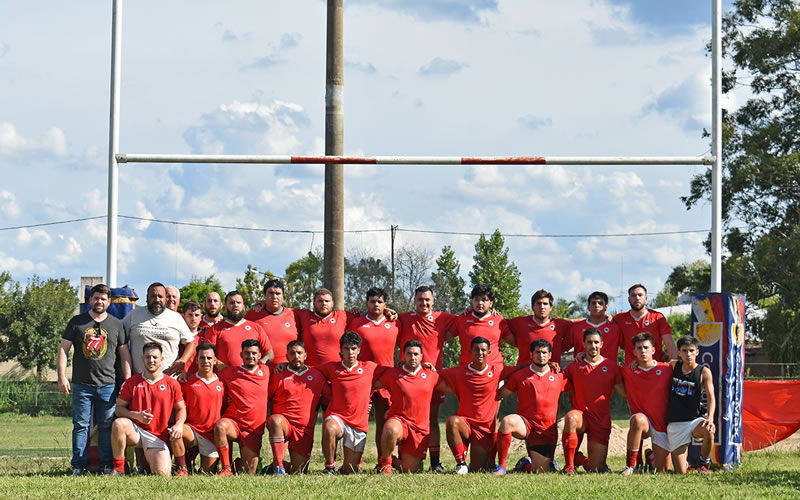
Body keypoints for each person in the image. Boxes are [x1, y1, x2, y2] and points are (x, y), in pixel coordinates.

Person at [58, 283, 131, 475]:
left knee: (107, 426)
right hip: (82, 385)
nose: (99, 301)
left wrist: (128, 381)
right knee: (80, 426)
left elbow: (124, 355)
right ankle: (78, 466)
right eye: (96, 298)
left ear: (109, 302)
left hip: (108, 385)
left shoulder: (116, 325)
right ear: (90, 300)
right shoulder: (76, 322)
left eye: (103, 299)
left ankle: (107, 465)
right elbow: (63, 350)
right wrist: (61, 377)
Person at [395, 285, 458, 472]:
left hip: (431, 378)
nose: (424, 303)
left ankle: (435, 463)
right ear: (415, 301)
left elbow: (465, 322)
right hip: (406, 378)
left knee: (432, 419)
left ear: (433, 301)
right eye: (420, 299)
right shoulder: (403, 318)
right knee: (402, 418)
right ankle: (397, 458)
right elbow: (385, 323)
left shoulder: (442, 318)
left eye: (427, 300)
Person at [108, 342, 186, 476]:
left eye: (155, 357)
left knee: (162, 474)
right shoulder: (131, 382)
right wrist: (136, 415)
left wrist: (179, 425)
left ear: (161, 359)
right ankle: (119, 468)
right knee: (119, 424)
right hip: (136, 432)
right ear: (142, 359)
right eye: (148, 357)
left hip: (157, 435)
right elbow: (119, 409)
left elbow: (181, 409)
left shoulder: (171, 383)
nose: (151, 360)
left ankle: (148, 463)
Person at [439, 337, 513, 474]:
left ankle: (489, 461)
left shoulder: (498, 370)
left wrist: (546, 364)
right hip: (465, 424)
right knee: (452, 422)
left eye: (483, 350)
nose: (480, 353)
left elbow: (520, 370)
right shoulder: (459, 372)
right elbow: (435, 375)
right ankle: (461, 464)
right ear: (470, 352)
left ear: (489, 352)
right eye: (476, 349)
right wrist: (425, 367)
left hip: (484, 430)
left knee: (477, 470)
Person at [495, 339, 568, 475]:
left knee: (540, 471)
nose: (541, 355)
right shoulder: (520, 375)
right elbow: (500, 393)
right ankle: (501, 467)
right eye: (538, 352)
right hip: (526, 424)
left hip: (546, 430)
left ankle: (525, 464)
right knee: (507, 422)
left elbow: (576, 388)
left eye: (544, 353)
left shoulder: (558, 375)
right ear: (531, 354)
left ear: (550, 355)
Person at [346, 287, 399, 463]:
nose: (376, 305)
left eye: (379, 302)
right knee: (358, 422)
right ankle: (356, 463)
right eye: (372, 301)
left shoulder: (395, 323)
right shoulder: (357, 323)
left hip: (386, 380)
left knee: (384, 423)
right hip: (363, 380)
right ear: (366, 303)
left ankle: (383, 461)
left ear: (386, 304)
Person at [562, 328, 625, 475]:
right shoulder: (574, 367)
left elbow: (625, 394)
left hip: (600, 420)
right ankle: (569, 466)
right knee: (571, 417)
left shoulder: (612, 367)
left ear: (602, 344)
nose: (593, 346)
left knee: (595, 469)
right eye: (589, 342)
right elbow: (559, 384)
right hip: (581, 417)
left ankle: (580, 459)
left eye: (596, 342)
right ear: (583, 344)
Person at [317, 331, 381, 475]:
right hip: (337, 416)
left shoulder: (370, 367)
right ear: (340, 350)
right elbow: (310, 372)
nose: (350, 352)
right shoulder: (332, 367)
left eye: (353, 349)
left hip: (358, 423)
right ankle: (330, 467)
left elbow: (392, 374)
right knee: (329, 427)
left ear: (359, 350)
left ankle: (344, 467)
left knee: (350, 471)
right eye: (346, 348)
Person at [374, 339, 440, 475]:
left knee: (409, 470)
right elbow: (369, 384)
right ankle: (385, 465)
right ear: (403, 355)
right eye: (409, 354)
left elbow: (453, 387)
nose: (412, 357)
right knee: (390, 429)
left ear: (422, 356)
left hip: (419, 429)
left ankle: (390, 459)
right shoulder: (393, 374)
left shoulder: (431, 375)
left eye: (416, 354)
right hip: (399, 421)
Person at [266, 340, 328, 475]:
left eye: (299, 353)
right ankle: (278, 466)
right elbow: (265, 398)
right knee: (275, 420)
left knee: (299, 472)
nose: (296, 356)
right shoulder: (278, 375)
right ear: (287, 356)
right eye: (292, 353)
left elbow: (330, 400)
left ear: (305, 355)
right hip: (284, 424)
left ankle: (277, 467)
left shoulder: (317, 375)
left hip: (304, 430)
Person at [214, 339, 271, 476]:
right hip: (234, 423)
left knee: (249, 473)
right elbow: (209, 375)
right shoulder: (230, 372)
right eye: (247, 353)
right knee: (220, 426)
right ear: (241, 355)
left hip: (253, 429)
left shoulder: (267, 371)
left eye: (253, 353)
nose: (250, 356)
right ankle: (226, 468)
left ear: (259, 356)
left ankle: (238, 464)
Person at [621, 332, 672, 475]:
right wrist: (581, 356)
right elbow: (604, 369)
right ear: (634, 352)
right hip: (643, 422)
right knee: (638, 419)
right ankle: (631, 466)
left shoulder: (667, 369)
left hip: (662, 425)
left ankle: (650, 456)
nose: (643, 351)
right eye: (639, 348)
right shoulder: (627, 370)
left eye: (646, 347)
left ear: (653, 350)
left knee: (662, 470)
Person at [171, 342, 225, 475]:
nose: (205, 361)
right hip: (192, 430)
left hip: (212, 434)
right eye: (202, 358)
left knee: (207, 473)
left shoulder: (223, 382)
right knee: (175, 432)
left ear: (214, 360)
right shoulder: (186, 382)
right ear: (196, 360)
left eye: (209, 358)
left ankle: (192, 460)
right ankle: (182, 468)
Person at [123, 282, 196, 375]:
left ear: (166, 299)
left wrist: (183, 360)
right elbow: (120, 341)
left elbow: (191, 343)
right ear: (147, 298)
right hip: (139, 379)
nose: (157, 300)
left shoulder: (176, 318)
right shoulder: (133, 315)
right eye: (153, 296)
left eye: (160, 296)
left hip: (168, 379)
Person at [666, 336, 716, 474]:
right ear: (679, 352)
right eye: (685, 350)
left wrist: (710, 418)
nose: (688, 354)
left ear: (697, 352)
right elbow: (651, 366)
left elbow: (711, 398)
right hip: (676, 423)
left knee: (709, 430)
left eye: (691, 350)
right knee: (680, 473)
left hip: (694, 420)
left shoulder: (704, 372)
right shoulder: (672, 366)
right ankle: (651, 456)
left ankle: (703, 464)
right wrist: (636, 363)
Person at [204, 291, 274, 368]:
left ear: (243, 307)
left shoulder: (256, 328)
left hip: (252, 378)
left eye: (238, 302)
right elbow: (206, 354)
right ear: (225, 308)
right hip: (225, 378)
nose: (235, 305)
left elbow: (269, 353)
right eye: (232, 303)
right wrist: (220, 366)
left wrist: (263, 361)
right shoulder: (215, 329)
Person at [505, 289, 573, 366]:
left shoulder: (560, 324)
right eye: (538, 303)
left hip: (551, 374)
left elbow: (583, 323)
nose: (542, 307)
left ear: (550, 308)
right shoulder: (521, 322)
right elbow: (498, 324)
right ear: (532, 307)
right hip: (524, 374)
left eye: (545, 304)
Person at [614, 284, 678, 364]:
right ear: (629, 299)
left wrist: (674, 365)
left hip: (656, 368)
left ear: (646, 298)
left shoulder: (657, 317)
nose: (637, 298)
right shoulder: (619, 319)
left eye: (640, 295)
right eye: (633, 295)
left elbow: (670, 345)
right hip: (632, 369)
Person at [450, 284, 510, 368]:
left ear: (491, 303)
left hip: (494, 372)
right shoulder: (462, 319)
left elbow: (517, 342)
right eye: (476, 299)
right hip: (467, 372)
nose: (480, 303)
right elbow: (441, 337)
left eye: (484, 300)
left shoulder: (499, 320)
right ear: (472, 301)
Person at [294, 288, 354, 367]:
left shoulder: (343, 316)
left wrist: (357, 310)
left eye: (327, 301)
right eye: (320, 301)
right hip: (311, 371)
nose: (324, 304)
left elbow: (367, 316)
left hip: (336, 370)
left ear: (332, 303)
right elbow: (283, 311)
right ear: (314, 303)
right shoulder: (304, 316)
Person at [245, 279, 299, 365]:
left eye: (278, 294)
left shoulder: (294, 314)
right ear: (264, 295)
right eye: (271, 293)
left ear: (283, 296)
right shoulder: (253, 314)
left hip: (289, 371)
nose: (274, 297)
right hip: (263, 370)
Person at [564, 291, 622, 361]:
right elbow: (562, 348)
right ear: (588, 307)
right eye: (593, 303)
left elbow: (630, 347)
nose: (597, 305)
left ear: (606, 307)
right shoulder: (576, 327)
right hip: (581, 369)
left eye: (600, 303)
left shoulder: (615, 328)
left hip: (609, 370)